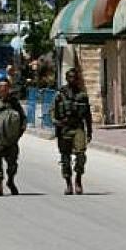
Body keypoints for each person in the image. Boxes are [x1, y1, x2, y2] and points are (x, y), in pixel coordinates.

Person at [0, 72, 27, 196]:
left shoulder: (15, 104)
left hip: (11, 141)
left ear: (9, 88)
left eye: (6, 87)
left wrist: (18, 134)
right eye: (1, 87)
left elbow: (23, 120)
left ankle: (11, 181)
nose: (4, 89)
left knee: (12, 166)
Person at [52, 67, 92, 195]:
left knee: (81, 155)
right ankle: (68, 183)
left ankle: (78, 180)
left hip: (78, 127)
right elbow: (53, 113)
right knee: (65, 158)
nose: (72, 80)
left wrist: (89, 132)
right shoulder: (60, 95)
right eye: (70, 77)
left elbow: (88, 115)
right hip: (64, 129)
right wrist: (58, 123)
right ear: (66, 78)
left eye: (75, 77)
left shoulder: (82, 95)